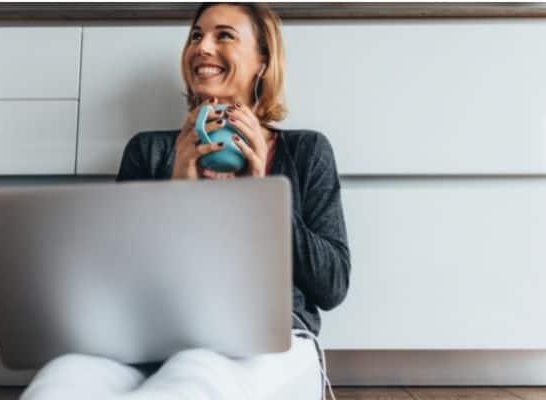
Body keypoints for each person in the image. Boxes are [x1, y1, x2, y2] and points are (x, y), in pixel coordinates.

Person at [20, 3, 350, 400]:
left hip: (267, 340)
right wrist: (175, 191)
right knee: (63, 377)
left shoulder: (306, 152)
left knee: (194, 374)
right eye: (196, 35)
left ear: (262, 61)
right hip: (151, 337)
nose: (202, 47)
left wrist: (262, 193)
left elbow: (331, 285)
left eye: (223, 35)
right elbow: (119, 282)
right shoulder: (150, 152)